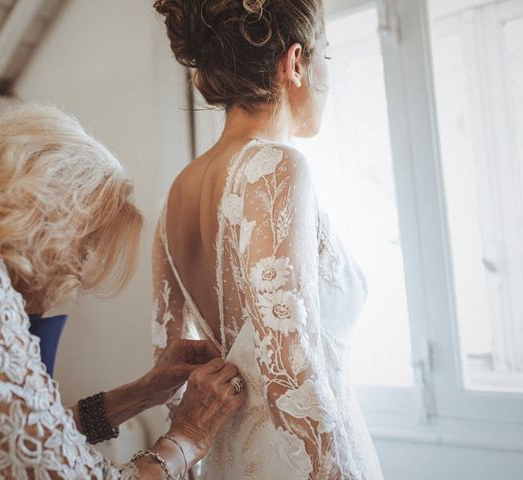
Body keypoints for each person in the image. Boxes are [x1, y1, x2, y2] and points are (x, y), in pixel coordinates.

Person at [0, 104, 246, 479]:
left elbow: (27, 437)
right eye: (86, 246)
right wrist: (189, 437)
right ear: (51, 220)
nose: (78, 276)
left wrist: (142, 392)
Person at [152, 0, 384, 478]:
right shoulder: (277, 166)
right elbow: (289, 368)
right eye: (328, 58)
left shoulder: (178, 190)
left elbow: (170, 373)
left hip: (226, 458)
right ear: (295, 63)